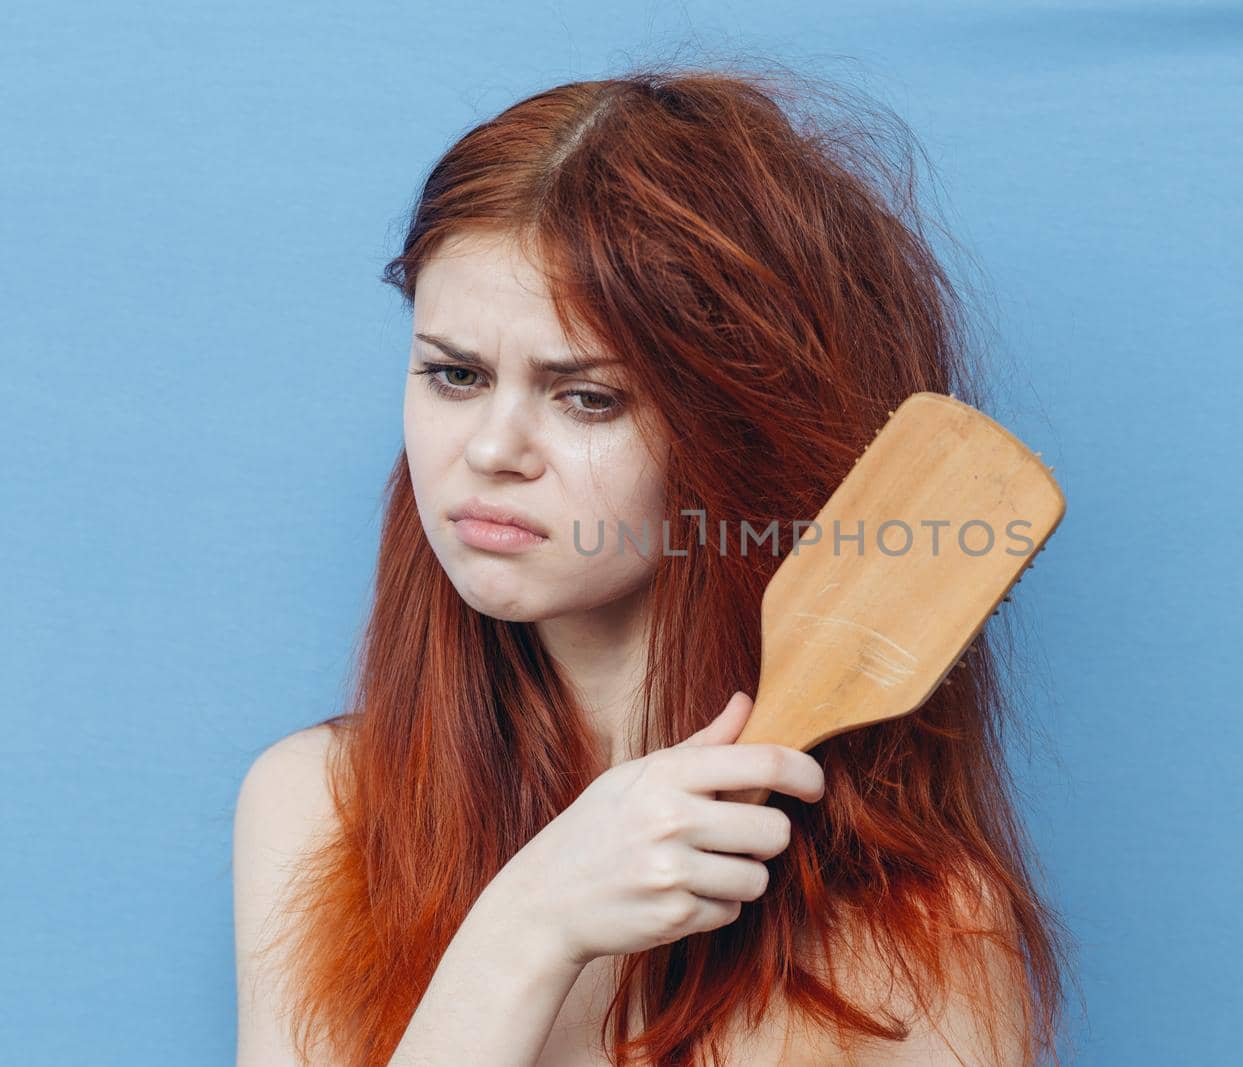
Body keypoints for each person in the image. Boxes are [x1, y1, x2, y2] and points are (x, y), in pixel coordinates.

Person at [233, 59, 1079, 1066]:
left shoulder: (921, 933)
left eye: (585, 396)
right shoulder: (322, 810)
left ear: (734, 437)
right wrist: (525, 929)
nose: (492, 449)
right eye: (454, 375)